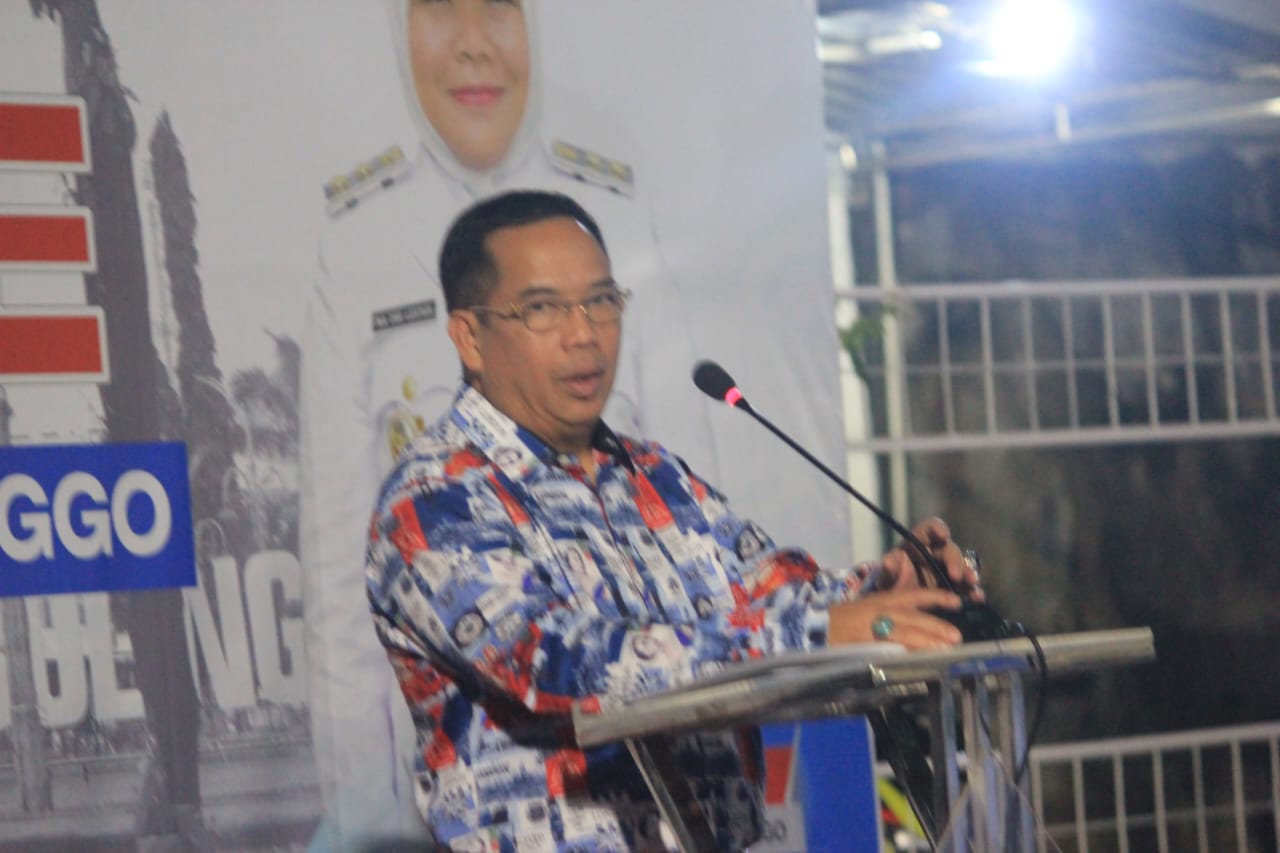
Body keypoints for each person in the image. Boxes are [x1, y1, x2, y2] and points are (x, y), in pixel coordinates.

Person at [365, 190, 982, 851]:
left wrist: (885, 589)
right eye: (542, 309)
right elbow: (557, 662)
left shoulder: (653, 474)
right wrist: (821, 631)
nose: (584, 333)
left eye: (601, 300)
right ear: (470, 337)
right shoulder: (433, 499)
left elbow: (763, 592)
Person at [299, 3, 718, 845]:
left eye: (499, 9)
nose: (473, 46)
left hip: (672, 807)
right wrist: (370, 822)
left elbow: (713, 569)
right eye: (439, 10)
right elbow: (341, 606)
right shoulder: (355, 245)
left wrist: (872, 597)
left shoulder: (616, 216)